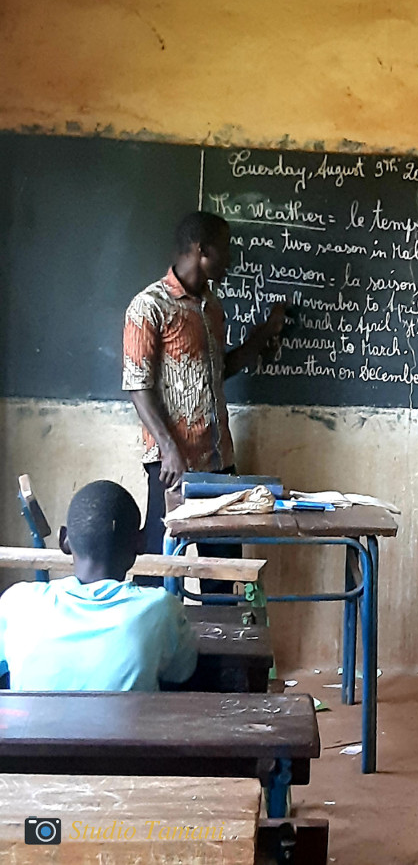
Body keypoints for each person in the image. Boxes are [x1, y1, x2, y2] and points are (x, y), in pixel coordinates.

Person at [122, 211, 285, 590]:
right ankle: (156, 644)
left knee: (223, 571)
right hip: (173, 466)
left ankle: (219, 650)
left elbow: (219, 369)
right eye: (225, 249)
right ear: (201, 250)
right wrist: (169, 450)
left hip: (218, 462)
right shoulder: (149, 307)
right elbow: (136, 384)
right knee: (160, 566)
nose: (231, 259)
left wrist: (265, 333)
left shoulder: (212, 308)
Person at [0, 481, 196, 691]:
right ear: (141, 542)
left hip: (31, 725)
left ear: (64, 540)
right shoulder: (160, 609)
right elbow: (181, 672)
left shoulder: (18, 603)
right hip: (131, 725)